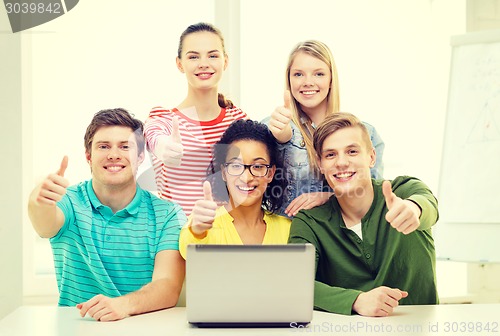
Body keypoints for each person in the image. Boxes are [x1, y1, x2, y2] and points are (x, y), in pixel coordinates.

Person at [28, 108, 186, 322]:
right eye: (103, 146)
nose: (114, 154)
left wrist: (122, 306)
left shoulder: (167, 214)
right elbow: (44, 225)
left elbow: (167, 286)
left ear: (140, 157)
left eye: (125, 146)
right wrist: (39, 200)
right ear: (88, 156)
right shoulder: (69, 202)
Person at [288, 112, 439, 317]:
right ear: (320, 164)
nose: (341, 162)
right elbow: (294, 284)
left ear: (371, 157)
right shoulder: (309, 221)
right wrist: (356, 300)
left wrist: (413, 209)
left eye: (352, 151)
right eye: (331, 155)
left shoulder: (403, 191)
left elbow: (427, 204)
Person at [263, 40, 385, 217]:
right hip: (289, 238)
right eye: (298, 74)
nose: (308, 82)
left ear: (331, 80)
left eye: (319, 74)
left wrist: (330, 198)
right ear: (289, 80)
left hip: (340, 239)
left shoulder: (366, 133)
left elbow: (373, 199)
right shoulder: (273, 126)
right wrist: (279, 141)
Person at [144, 22, 247, 216]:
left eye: (213, 55)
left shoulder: (239, 120)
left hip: (225, 239)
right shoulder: (164, 118)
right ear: (179, 64)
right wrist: (166, 148)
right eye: (193, 56)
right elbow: (155, 136)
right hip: (177, 238)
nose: (203, 63)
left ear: (225, 61)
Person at [178, 119, 290, 259]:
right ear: (224, 172)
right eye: (236, 166)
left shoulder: (288, 229)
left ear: (271, 173)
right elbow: (188, 247)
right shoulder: (203, 224)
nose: (246, 178)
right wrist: (197, 230)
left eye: (258, 166)